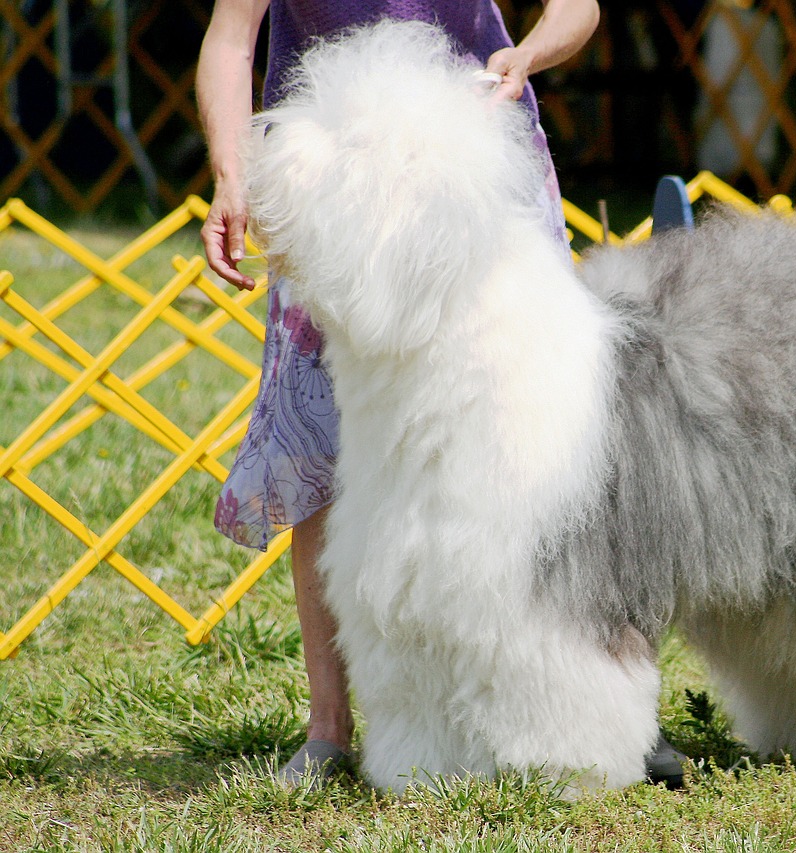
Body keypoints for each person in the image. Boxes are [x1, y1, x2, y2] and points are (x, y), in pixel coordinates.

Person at [197, 0, 682, 788]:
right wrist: (231, 170)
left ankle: (601, 705)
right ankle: (334, 729)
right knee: (325, 458)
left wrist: (526, 54)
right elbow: (228, 40)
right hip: (336, 196)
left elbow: (580, 8)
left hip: (479, 183)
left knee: (556, 459)